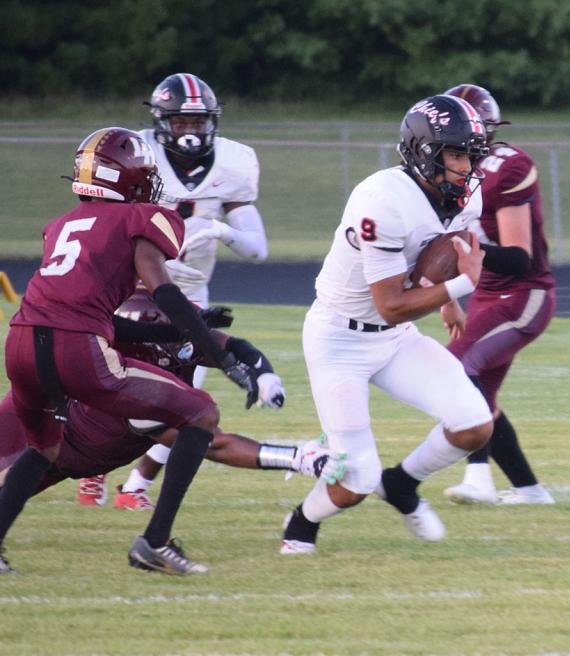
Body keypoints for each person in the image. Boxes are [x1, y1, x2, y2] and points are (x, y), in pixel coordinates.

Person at [0, 127, 255, 575]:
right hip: (75, 349)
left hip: (20, 341)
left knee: (43, 449)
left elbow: (88, 314)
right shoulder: (140, 218)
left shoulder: (60, 226)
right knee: (201, 413)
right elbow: (165, 293)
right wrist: (215, 352)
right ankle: (154, 543)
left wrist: (179, 332)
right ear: (131, 179)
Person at [279, 95, 495, 555]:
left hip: (394, 339)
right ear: (424, 152)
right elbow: (393, 303)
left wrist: (449, 300)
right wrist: (459, 287)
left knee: (475, 423)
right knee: (356, 479)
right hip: (340, 337)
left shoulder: (465, 192)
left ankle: (401, 483)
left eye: (473, 155)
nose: (469, 167)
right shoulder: (381, 200)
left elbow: (448, 244)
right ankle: (301, 522)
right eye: (458, 154)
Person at [79, 72, 269, 509]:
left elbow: (258, 250)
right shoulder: (137, 154)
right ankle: (91, 469)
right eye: (180, 122)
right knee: (109, 381)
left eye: (197, 122)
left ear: (212, 122)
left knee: (186, 400)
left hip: (188, 296)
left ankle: (136, 487)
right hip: (130, 287)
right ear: (162, 122)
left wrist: (218, 227)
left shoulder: (233, 165)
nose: (190, 131)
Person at [0, 292, 344, 496]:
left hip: (83, 449)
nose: (188, 338)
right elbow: (212, 444)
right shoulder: (122, 378)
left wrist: (264, 375)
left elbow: (232, 346)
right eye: (175, 330)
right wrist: (296, 458)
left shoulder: (171, 345)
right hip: (63, 443)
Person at [438, 84, 556, 506]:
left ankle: (478, 477)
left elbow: (519, 258)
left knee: (455, 368)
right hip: (486, 294)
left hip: (525, 294)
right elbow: (443, 242)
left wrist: (465, 252)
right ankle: (530, 490)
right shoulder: (447, 169)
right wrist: (448, 299)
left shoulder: (506, 166)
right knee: (482, 396)